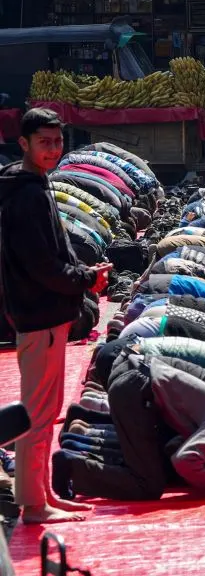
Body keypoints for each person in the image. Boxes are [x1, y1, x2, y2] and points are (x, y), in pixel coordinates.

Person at [1, 108, 111, 524]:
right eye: (44, 142)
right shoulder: (26, 194)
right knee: (37, 413)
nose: (53, 150)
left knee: (45, 411)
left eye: (58, 141)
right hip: (39, 315)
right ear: (24, 143)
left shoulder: (32, 185)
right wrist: (85, 278)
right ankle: (33, 504)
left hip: (42, 313)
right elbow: (43, 265)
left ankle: (42, 493)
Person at [51, 354, 205, 501]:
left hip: (135, 376)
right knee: (148, 485)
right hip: (136, 386)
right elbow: (183, 459)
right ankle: (72, 467)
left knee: (148, 464)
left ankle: (79, 446)